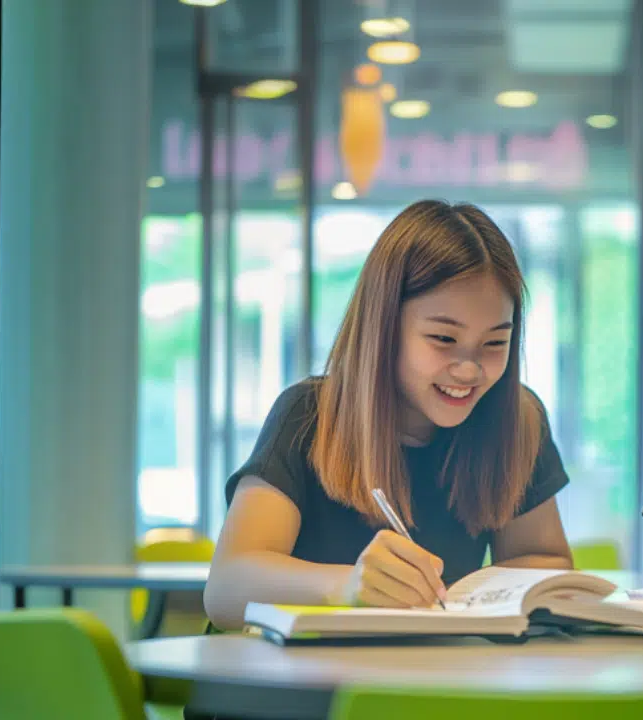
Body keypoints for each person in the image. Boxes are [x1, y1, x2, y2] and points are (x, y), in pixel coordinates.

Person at [204, 200, 572, 631]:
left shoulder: (517, 420)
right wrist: (349, 586)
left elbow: (544, 559)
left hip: (427, 682)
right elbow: (227, 588)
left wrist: (473, 597)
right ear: (384, 328)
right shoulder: (310, 416)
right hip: (297, 687)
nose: (469, 369)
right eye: (443, 338)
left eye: (495, 344)